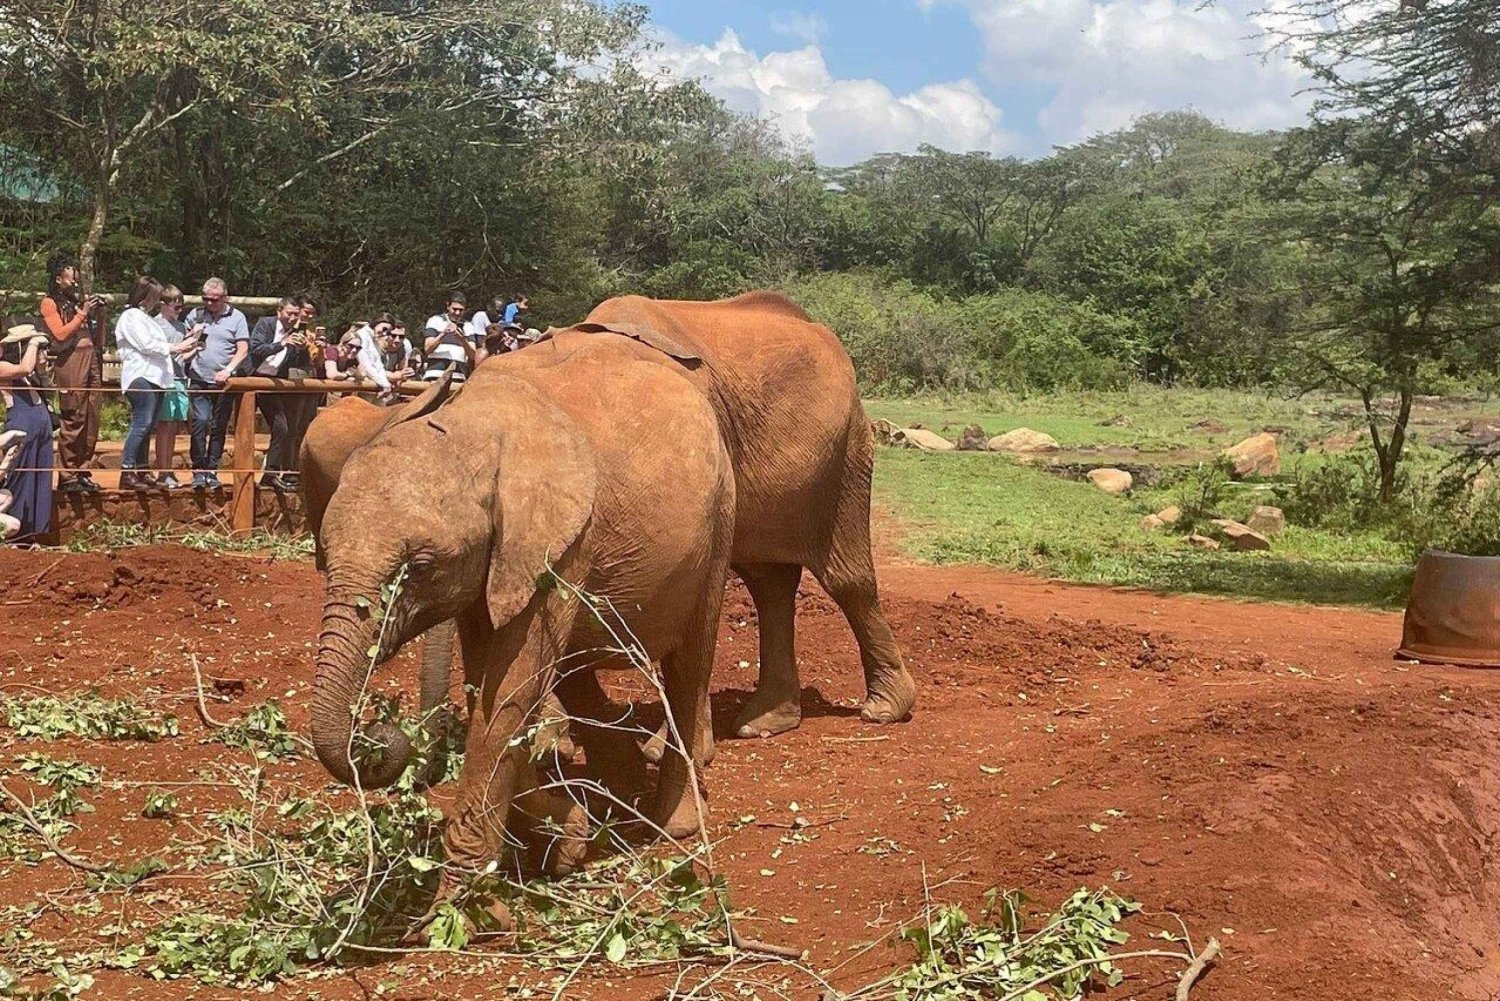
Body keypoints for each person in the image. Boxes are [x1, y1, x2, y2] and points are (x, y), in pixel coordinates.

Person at [115, 277, 199, 491]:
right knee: (141, 423)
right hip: (140, 376)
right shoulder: (130, 316)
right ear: (144, 297)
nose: (156, 302)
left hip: (157, 378)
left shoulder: (145, 318)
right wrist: (177, 347)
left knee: (148, 425)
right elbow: (147, 345)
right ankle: (126, 471)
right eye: (154, 297)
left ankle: (142, 469)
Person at [38, 252, 106, 493]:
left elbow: (97, 340)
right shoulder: (49, 303)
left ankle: (82, 469)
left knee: (92, 415)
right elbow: (60, 334)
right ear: (58, 279)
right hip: (70, 360)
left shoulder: (77, 303)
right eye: (70, 279)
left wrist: (100, 315)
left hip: (91, 359)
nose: (74, 283)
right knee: (74, 415)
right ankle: (67, 474)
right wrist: (83, 313)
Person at [184, 277, 250, 490]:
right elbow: (184, 346)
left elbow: (243, 349)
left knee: (218, 425)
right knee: (200, 421)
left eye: (214, 300)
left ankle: (212, 470)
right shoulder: (195, 315)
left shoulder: (237, 317)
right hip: (198, 378)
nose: (209, 303)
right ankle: (198, 468)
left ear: (225, 297)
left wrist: (228, 370)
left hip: (224, 381)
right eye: (206, 299)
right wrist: (193, 338)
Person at [248, 297, 316, 492]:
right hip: (251, 380)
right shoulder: (265, 324)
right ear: (280, 311)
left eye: (296, 314)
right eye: (289, 313)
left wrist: (303, 349)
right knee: (234, 427)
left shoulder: (296, 332)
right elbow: (257, 349)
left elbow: (294, 362)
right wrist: (282, 343)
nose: (292, 318)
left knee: (282, 428)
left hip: (272, 385)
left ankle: (270, 473)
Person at [0, 322, 54, 541]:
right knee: (20, 476)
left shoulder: (29, 370)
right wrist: (34, 343)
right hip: (22, 424)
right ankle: (17, 534)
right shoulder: (4, 366)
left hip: (41, 423)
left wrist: (42, 365)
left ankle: (35, 532)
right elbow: (23, 368)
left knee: (41, 477)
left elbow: (49, 389)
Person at [152, 286, 196, 488]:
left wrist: (194, 347)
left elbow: (180, 357)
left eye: (181, 308)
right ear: (163, 305)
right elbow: (155, 353)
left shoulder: (180, 327)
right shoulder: (154, 325)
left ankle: (168, 469)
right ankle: (163, 471)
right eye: (175, 307)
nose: (179, 311)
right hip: (164, 379)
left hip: (179, 378)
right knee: (164, 425)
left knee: (174, 426)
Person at [423, 293, 478, 382]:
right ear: (448, 306)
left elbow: (472, 356)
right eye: (455, 309)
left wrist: (462, 340)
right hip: (434, 375)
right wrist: (443, 334)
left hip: (458, 377)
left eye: (461, 310)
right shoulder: (435, 321)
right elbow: (427, 349)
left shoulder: (469, 326)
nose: (457, 313)